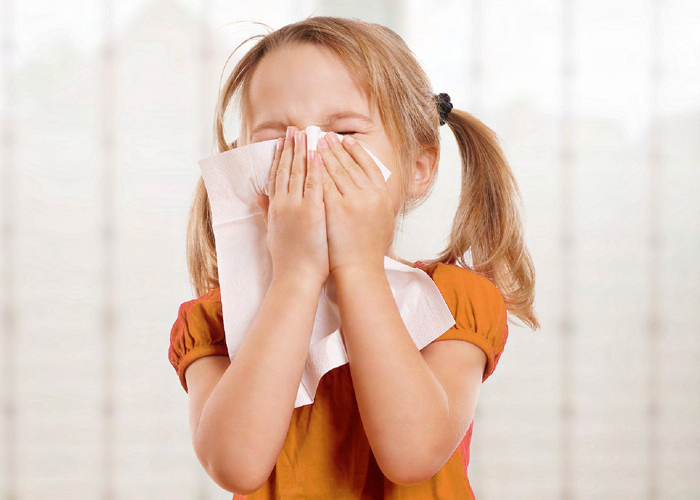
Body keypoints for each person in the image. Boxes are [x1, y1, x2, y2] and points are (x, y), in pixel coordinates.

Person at [168, 15, 540, 499]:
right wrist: (296, 276)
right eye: (274, 141)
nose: (306, 156)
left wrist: (359, 268)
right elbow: (235, 464)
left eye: (343, 135)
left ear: (418, 168)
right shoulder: (217, 321)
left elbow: (412, 454)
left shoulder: (453, 304)